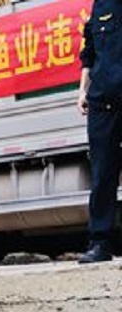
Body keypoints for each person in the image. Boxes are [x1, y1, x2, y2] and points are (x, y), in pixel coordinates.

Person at [77, 2, 122, 263]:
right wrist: (82, 90)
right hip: (102, 103)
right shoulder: (101, 5)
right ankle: (100, 244)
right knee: (102, 175)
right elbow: (90, 52)